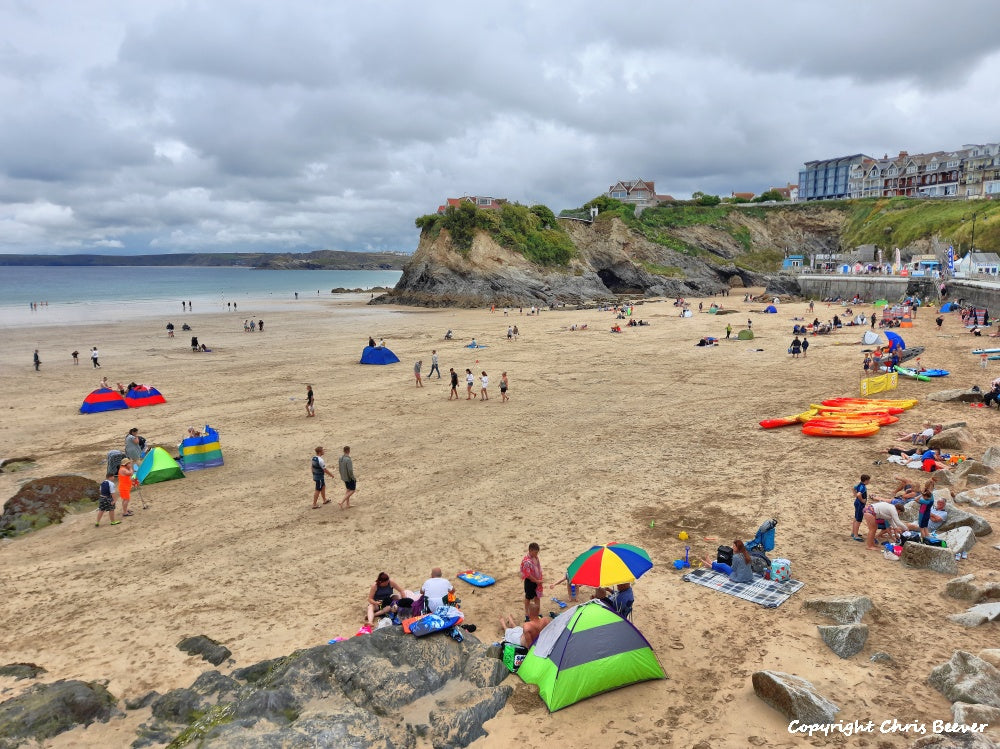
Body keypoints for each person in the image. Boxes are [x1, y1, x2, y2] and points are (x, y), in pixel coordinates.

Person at [520, 542, 543, 621]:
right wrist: (537, 581)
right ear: (530, 550)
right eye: (536, 552)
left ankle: (537, 612)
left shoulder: (536, 557)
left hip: (537, 580)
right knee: (528, 598)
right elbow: (528, 575)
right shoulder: (526, 561)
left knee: (537, 596)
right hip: (530, 582)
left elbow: (538, 568)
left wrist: (539, 580)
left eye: (537, 552)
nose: (537, 554)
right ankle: (526, 614)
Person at [850, 474, 870, 542]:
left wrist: (855, 495)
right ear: (866, 480)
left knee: (856, 517)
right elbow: (859, 494)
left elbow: (853, 488)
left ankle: (853, 532)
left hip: (857, 502)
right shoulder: (863, 487)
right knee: (858, 519)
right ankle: (856, 535)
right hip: (860, 504)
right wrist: (862, 500)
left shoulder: (859, 484)